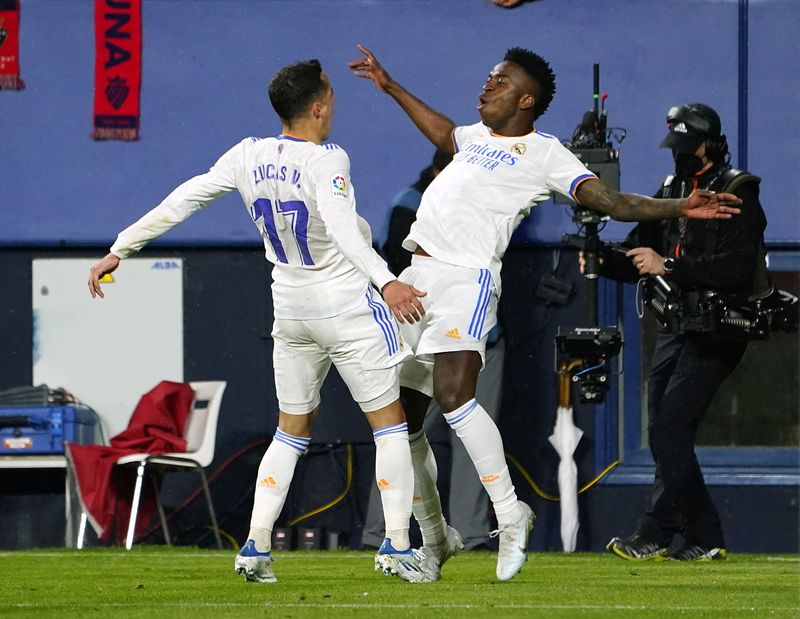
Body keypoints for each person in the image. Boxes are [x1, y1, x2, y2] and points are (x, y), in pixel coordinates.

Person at [348, 45, 742, 581]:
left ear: (527, 99)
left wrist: (680, 207)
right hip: (416, 277)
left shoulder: (546, 152)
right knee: (401, 422)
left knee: (454, 396)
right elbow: (444, 132)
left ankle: (512, 517)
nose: (487, 85)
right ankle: (436, 540)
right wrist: (390, 86)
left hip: (467, 276)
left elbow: (612, 202)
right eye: (489, 77)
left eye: (501, 81)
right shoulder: (475, 138)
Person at [87, 59, 436, 583]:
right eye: (332, 95)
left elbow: (187, 197)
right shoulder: (328, 159)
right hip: (346, 308)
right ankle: (398, 547)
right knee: (390, 426)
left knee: (290, 430)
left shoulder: (247, 155)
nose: (335, 104)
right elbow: (343, 227)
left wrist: (122, 247)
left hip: (291, 312)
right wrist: (387, 280)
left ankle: (253, 548)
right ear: (317, 106)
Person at [594, 103, 767, 562]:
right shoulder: (672, 190)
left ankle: (655, 530)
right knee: (664, 430)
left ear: (709, 143)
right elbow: (639, 253)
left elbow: (734, 269)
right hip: (677, 323)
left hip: (719, 327)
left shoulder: (737, 190)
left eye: (688, 146)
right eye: (676, 146)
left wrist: (669, 264)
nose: (681, 155)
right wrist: (601, 259)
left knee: (670, 426)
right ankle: (705, 534)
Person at [363, 149, 503, 553]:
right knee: (396, 430)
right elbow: (394, 269)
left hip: (474, 337)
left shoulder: (482, 201)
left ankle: (474, 535)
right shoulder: (411, 202)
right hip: (419, 331)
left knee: (466, 435)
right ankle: (386, 533)